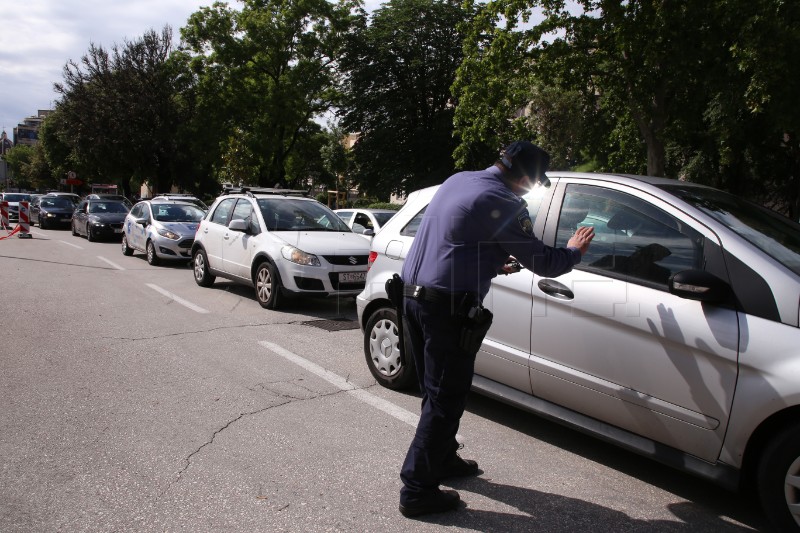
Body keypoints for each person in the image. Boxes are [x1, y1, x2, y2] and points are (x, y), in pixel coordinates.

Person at [397, 140, 594, 518]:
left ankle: (445, 459)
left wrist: (488, 259)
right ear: (522, 177)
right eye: (533, 183)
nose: (531, 190)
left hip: (412, 297)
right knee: (445, 399)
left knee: (434, 391)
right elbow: (545, 262)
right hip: (446, 308)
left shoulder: (460, 180)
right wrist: (574, 250)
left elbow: (456, 238)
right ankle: (417, 490)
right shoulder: (503, 200)